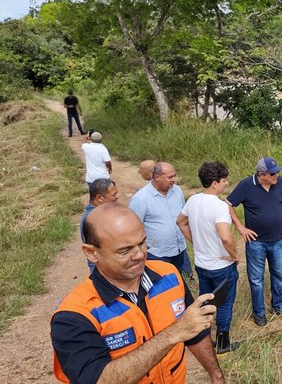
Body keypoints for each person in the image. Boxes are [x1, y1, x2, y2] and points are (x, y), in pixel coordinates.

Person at [50, 203, 226, 384]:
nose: (140, 255)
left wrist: (216, 375)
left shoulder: (169, 275)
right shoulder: (73, 315)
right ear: (91, 253)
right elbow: (97, 379)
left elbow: (194, 331)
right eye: (125, 250)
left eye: (142, 243)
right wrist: (174, 333)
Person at [177, 162, 240, 354]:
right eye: (223, 180)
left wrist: (196, 242)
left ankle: (205, 339)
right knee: (225, 303)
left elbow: (180, 221)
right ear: (214, 183)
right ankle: (223, 343)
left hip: (201, 264)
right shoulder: (219, 206)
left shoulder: (193, 200)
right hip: (221, 265)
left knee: (205, 301)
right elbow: (225, 236)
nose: (226, 183)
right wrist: (234, 256)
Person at [226, 157, 282, 327]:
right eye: (273, 173)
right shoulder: (246, 185)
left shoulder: (280, 183)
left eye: (277, 172)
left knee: (280, 275)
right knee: (256, 280)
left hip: (278, 240)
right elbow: (227, 205)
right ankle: (259, 312)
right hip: (256, 242)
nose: (276, 175)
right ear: (262, 174)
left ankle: (278, 305)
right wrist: (241, 227)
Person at [129, 162, 189, 273]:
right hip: (157, 254)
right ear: (157, 177)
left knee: (177, 282)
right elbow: (133, 228)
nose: (174, 179)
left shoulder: (177, 191)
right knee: (161, 287)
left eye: (174, 175)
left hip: (179, 249)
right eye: (170, 177)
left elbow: (183, 217)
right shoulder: (141, 199)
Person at [79, 178, 120, 273]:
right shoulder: (94, 219)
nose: (117, 197)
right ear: (99, 198)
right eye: (114, 195)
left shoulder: (100, 213)